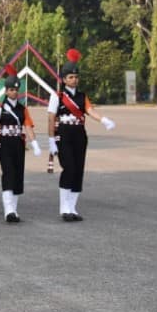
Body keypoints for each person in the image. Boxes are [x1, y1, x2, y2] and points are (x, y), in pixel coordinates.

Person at [47, 49, 115, 221]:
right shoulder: (58, 96)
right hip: (63, 134)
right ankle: (64, 208)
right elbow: (50, 118)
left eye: (76, 77)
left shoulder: (82, 96)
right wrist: (51, 140)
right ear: (64, 79)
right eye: (70, 77)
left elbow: (89, 110)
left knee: (78, 170)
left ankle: (72, 208)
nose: (74, 80)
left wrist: (103, 120)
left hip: (79, 134)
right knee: (68, 168)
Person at [0, 66, 41, 223]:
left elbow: (28, 126)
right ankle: (8, 210)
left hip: (18, 143)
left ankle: (14, 210)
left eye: (16, 90)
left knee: (18, 175)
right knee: (9, 173)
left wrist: (35, 143)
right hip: (4, 143)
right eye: (11, 90)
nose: (13, 92)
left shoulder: (22, 109)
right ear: (6, 91)